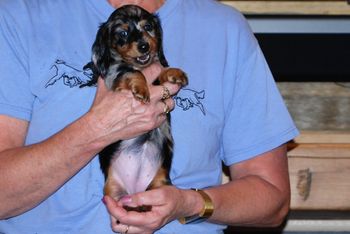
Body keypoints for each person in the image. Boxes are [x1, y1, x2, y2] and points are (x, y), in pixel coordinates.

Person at [0, 0, 299, 233]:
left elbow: (271, 199)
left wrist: (187, 203)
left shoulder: (225, 29)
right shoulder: (17, 17)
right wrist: (98, 127)